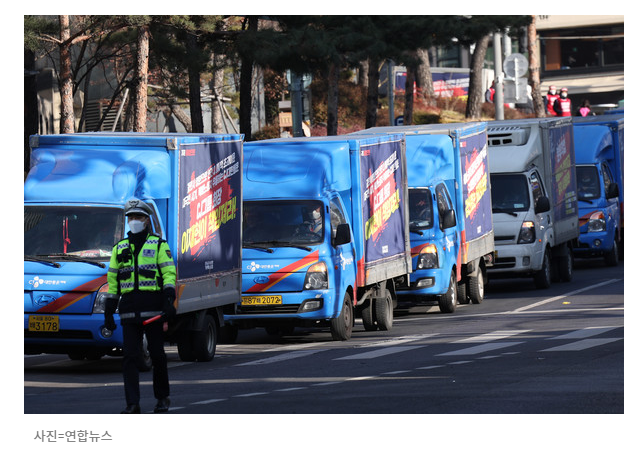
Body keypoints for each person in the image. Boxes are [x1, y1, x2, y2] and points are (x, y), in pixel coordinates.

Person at [104, 198, 177, 414]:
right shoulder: (119, 249)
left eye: (138, 217)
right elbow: (113, 283)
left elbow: (168, 274)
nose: (134, 220)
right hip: (129, 311)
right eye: (131, 217)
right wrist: (109, 312)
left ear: (146, 220)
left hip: (153, 309)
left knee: (157, 355)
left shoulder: (159, 245)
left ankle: (162, 398)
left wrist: (169, 301)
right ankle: (132, 404)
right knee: (129, 358)